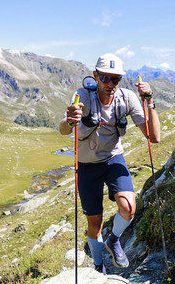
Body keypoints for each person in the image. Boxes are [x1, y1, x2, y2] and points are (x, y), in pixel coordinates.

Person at [59, 53, 160, 274]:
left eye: (116, 79)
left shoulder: (128, 98)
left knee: (129, 207)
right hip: (87, 164)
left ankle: (113, 241)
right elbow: (63, 129)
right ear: (95, 76)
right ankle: (98, 265)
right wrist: (69, 120)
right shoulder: (82, 96)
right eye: (105, 78)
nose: (110, 84)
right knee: (95, 224)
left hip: (113, 158)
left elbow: (154, 138)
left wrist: (150, 101)